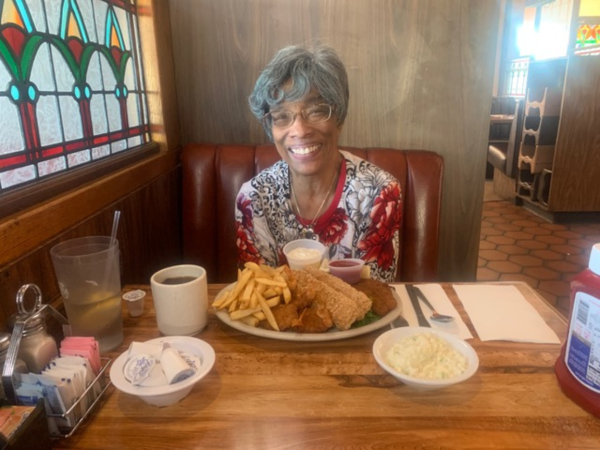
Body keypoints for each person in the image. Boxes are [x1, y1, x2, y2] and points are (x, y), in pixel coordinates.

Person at [235, 44, 402, 282]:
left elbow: (376, 295)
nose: (300, 130)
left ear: (339, 118)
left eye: (315, 111)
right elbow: (259, 292)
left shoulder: (379, 193)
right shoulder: (253, 198)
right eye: (281, 116)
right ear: (271, 129)